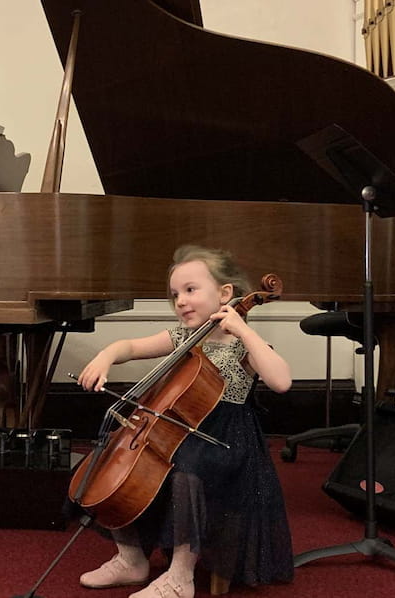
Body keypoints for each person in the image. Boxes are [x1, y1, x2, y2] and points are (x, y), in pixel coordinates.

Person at [75, 244, 294, 598]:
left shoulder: (244, 347)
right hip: (177, 431)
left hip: (226, 441)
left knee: (187, 471)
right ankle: (131, 559)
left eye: (190, 290)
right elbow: (128, 347)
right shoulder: (181, 340)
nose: (180, 301)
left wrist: (244, 330)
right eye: (175, 294)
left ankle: (180, 576)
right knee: (106, 463)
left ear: (225, 294)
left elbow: (282, 382)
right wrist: (106, 355)